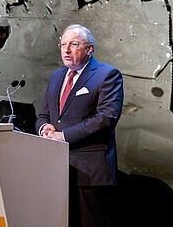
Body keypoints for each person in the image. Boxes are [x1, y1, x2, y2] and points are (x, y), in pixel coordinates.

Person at [35, 24, 124, 227]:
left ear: (89, 49)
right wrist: (44, 128)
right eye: (63, 44)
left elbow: (106, 118)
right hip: (56, 170)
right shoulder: (56, 77)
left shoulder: (107, 75)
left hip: (89, 173)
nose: (66, 50)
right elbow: (43, 115)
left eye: (74, 44)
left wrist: (63, 135)